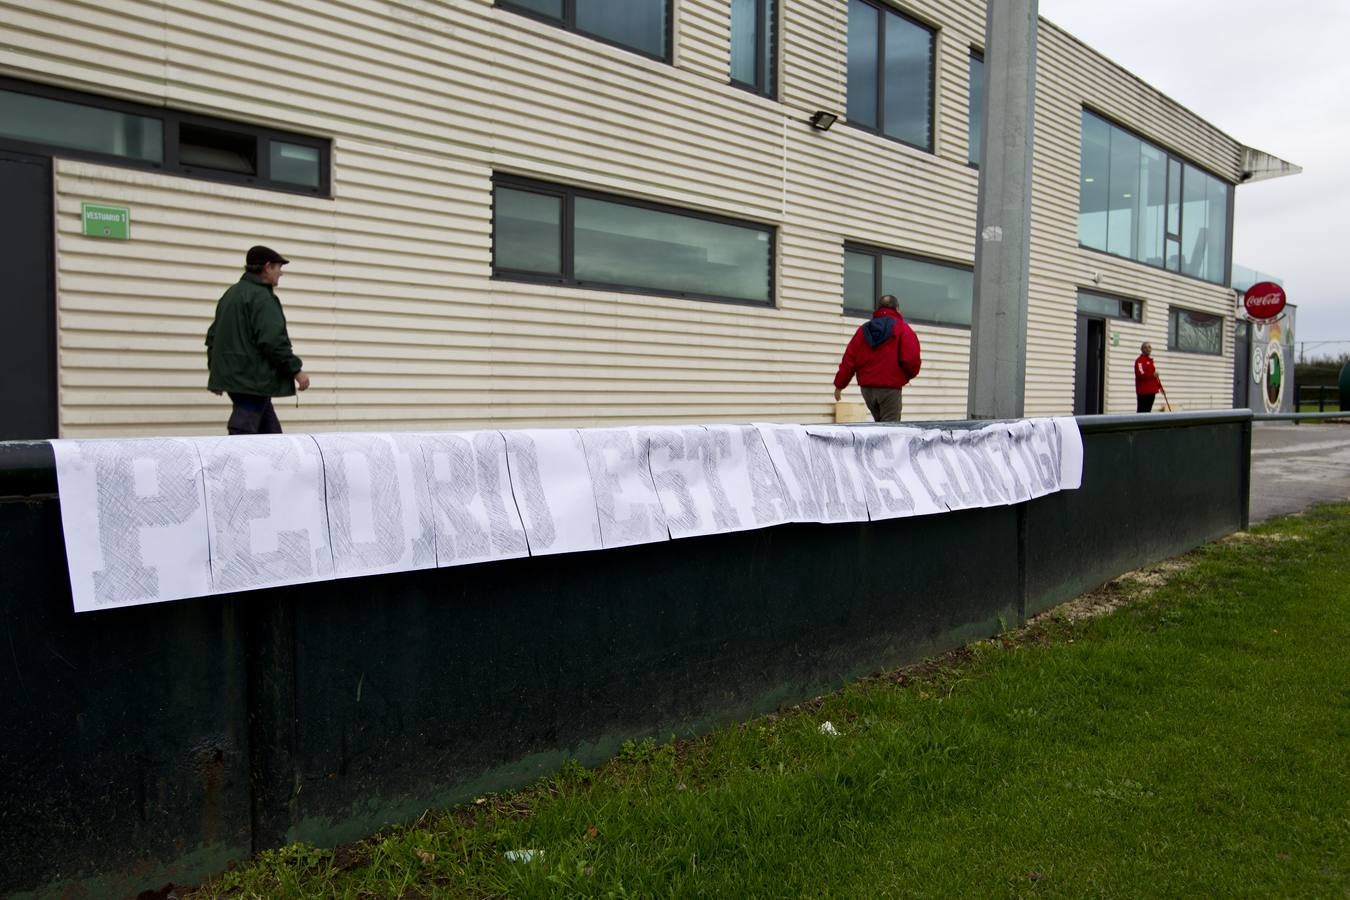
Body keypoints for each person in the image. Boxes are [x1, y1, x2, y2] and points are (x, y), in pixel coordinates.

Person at [206, 245, 310, 434]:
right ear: (267, 267)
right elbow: (273, 341)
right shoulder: (261, 297)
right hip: (252, 379)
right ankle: (235, 460)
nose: (281, 274)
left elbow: (213, 337)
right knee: (244, 429)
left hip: (239, 380)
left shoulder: (231, 295)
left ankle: (277, 461)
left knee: (272, 436)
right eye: (279, 268)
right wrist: (296, 371)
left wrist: (217, 376)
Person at [833, 294, 922, 422]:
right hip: (889, 388)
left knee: (879, 426)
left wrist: (839, 385)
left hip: (867, 390)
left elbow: (849, 359)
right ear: (897, 309)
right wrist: (905, 376)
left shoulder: (863, 330)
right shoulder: (903, 328)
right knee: (891, 430)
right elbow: (911, 360)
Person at [1134, 342, 1162, 413]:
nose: (1148, 349)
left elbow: (1155, 377)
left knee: (1148, 411)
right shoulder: (1139, 361)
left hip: (1152, 391)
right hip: (1143, 392)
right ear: (1141, 349)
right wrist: (1152, 375)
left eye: (1149, 347)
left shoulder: (1150, 361)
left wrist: (1160, 387)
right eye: (1145, 347)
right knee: (1142, 411)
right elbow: (1141, 374)